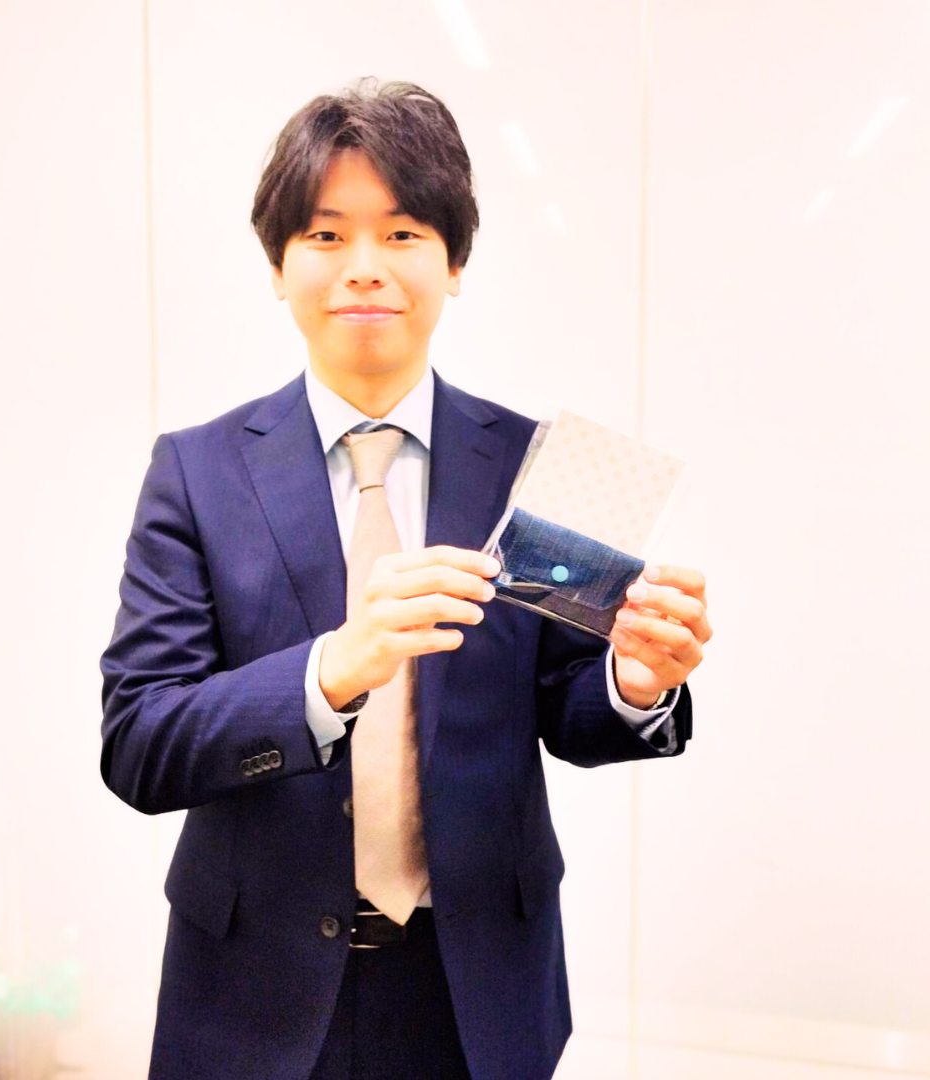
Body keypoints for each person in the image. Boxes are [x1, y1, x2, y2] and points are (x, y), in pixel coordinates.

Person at [100, 78, 711, 1080]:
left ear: (454, 263)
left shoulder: (542, 464)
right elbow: (140, 743)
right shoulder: (196, 472)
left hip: (477, 989)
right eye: (326, 235)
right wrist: (331, 671)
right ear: (278, 266)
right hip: (251, 992)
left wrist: (633, 685)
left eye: (403, 233)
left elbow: (569, 708)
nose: (364, 267)